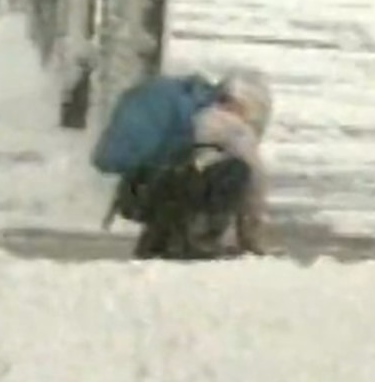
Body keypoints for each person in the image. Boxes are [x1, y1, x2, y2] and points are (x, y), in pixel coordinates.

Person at [92, 69, 274, 260]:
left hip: (136, 191)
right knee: (235, 171)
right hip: (161, 191)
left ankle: (157, 241)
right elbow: (255, 181)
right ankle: (200, 242)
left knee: (192, 169)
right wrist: (252, 239)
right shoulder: (230, 127)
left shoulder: (192, 107)